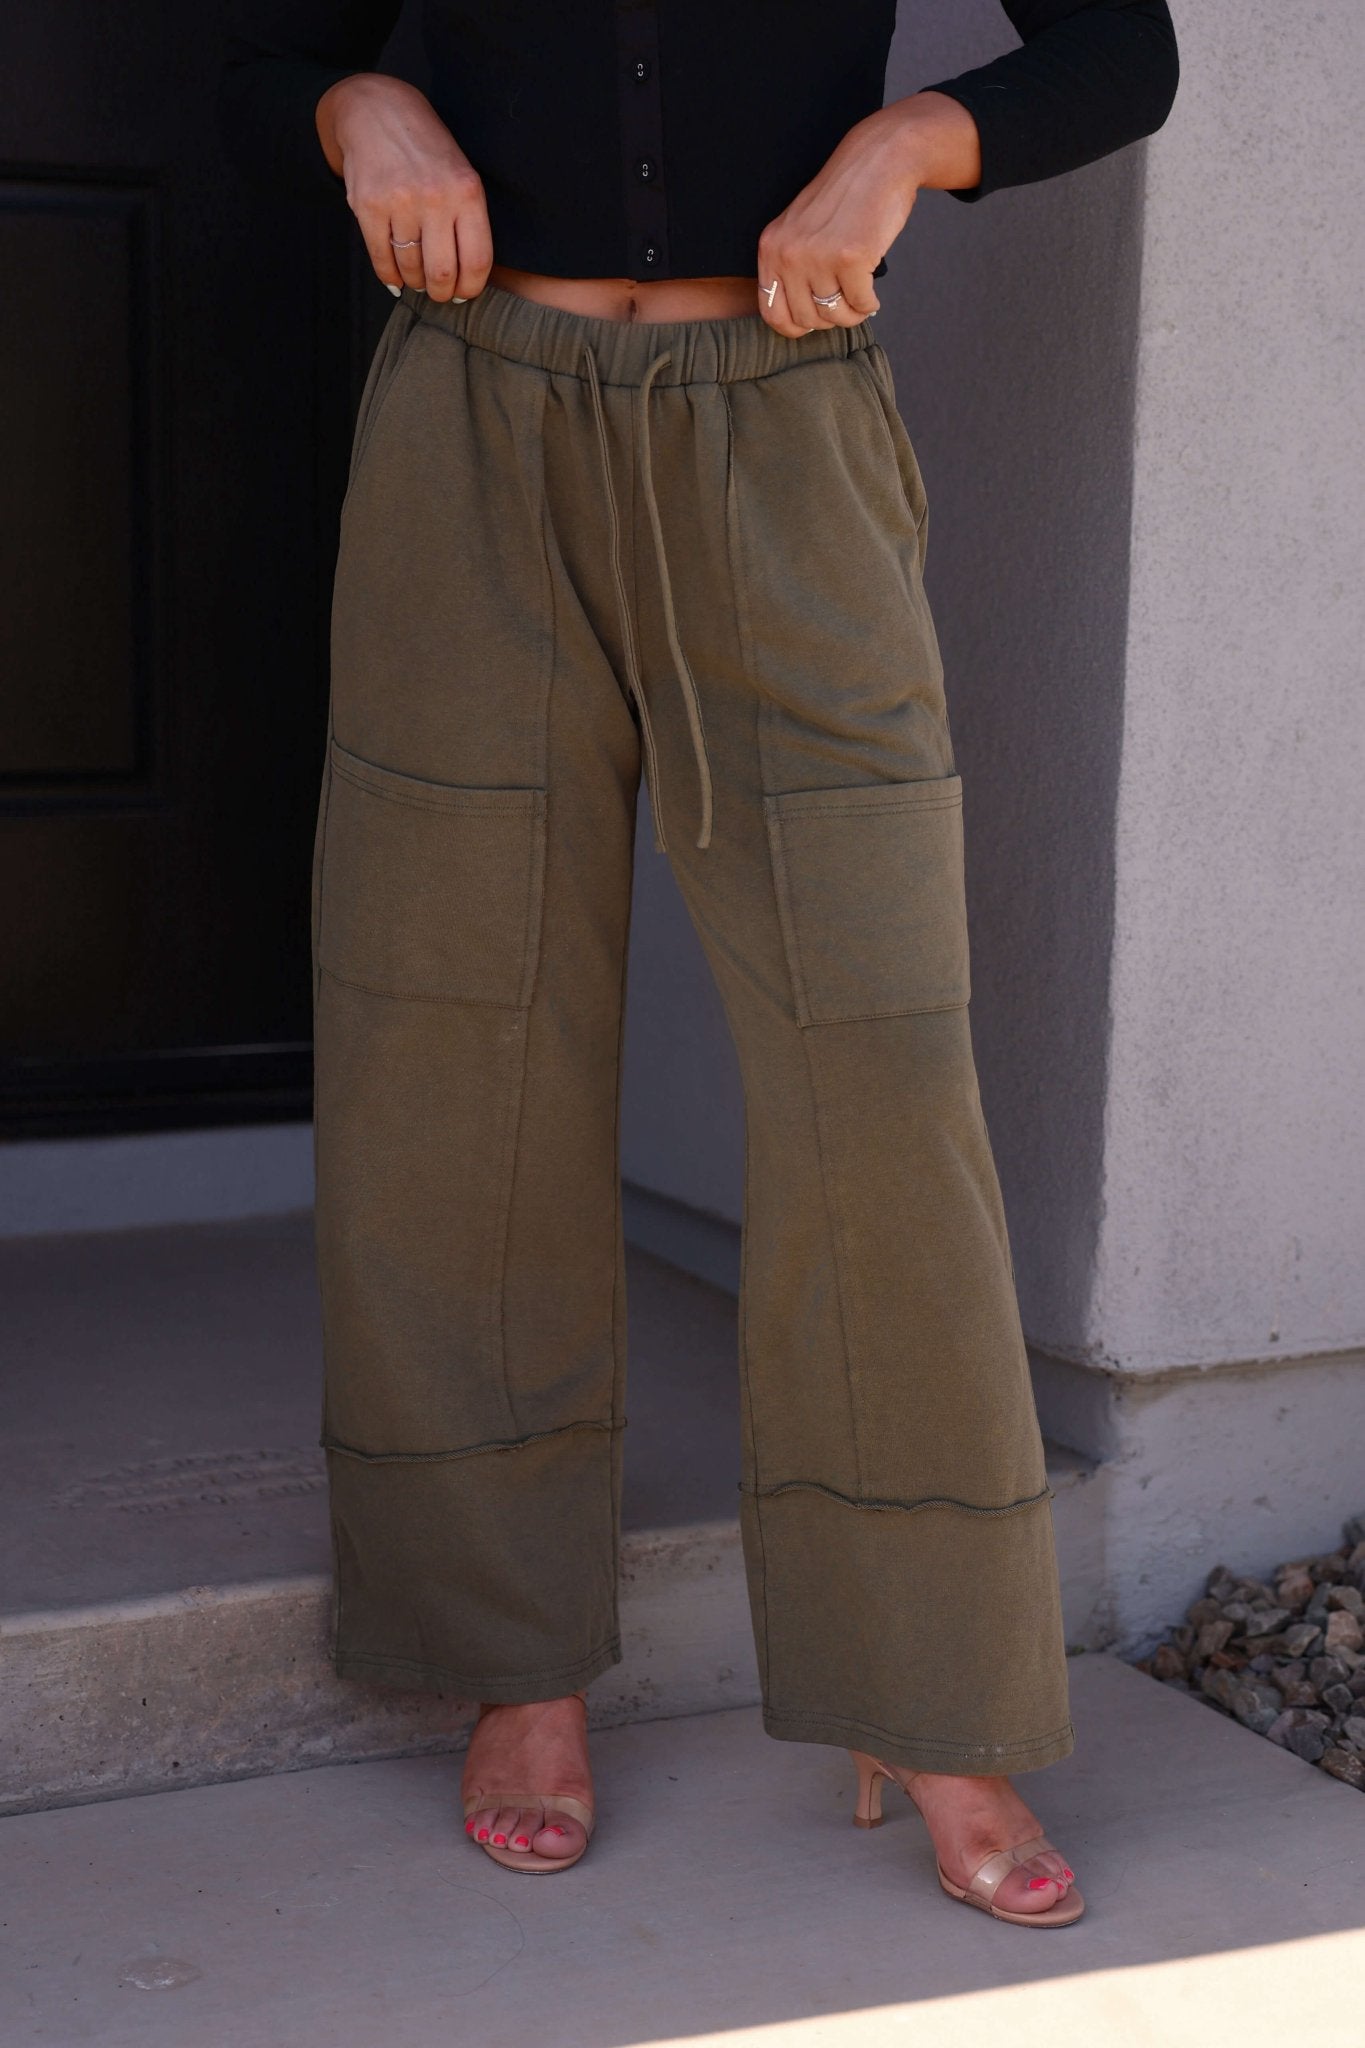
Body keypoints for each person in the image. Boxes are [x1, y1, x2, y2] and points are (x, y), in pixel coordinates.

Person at [219, 0, 1178, 1926]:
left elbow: (1118, 48)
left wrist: (908, 142)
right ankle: (516, 1656)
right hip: (472, 428)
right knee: (457, 1042)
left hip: (786, 421)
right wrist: (368, 103)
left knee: (879, 1059)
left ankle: (924, 1690)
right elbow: (269, 41)